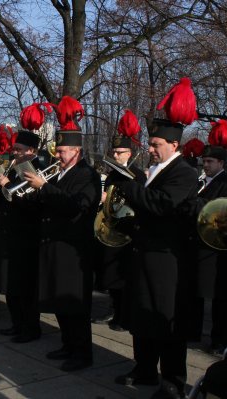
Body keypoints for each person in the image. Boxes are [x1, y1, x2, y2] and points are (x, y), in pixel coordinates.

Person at [113, 116, 198, 398]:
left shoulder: (182, 172)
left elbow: (162, 204)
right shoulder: (154, 170)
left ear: (175, 144)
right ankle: (145, 368)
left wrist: (128, 186)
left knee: (164, 319)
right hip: (143, 254)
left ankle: (173, 380)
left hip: (166, 261)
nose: (150, 149)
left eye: (156, 144)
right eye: (150, 144)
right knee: (142, 316)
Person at [24, 128, 101, 372]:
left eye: (61, 150)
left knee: (75, 305)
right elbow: (49, 203)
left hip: (73, 249)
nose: (57, 155)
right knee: (59, 301)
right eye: (56, 150)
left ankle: (82, 353)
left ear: (76, 151)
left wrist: (44, 187)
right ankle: (67, 345)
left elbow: (77, 206)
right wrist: (34, 193)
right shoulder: (60, 172)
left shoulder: (87, 175)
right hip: (54, 245)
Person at [184, 129, 227, 352]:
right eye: (203, 161)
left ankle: (218, 339)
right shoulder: (199, 181)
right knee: (196, 292)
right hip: (197, 244)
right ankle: (193, 331)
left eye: (209, 161)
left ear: (221, 163)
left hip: (217, 248)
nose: (205, 165)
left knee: (219, 297)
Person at [0, 130, 44, 343]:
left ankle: (30, 328)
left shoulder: (36, 170)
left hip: (25, 237)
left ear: (32, 151)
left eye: (20, 150)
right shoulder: (13, 168)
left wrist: (7, 186)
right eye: (15, 149)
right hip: (8, 236)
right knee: (10, 285)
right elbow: (9, 199)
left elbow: (29, 202)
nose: (15, 153)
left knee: (25, 287)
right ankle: (16, 323)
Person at [94, 112, 146, 332]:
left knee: (123, 274)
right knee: (111, 275)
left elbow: (139, 199)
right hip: (111, 224)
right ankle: (114, 308)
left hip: (127, 227)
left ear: (129, 153)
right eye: (114, 152)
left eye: (120, 152)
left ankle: (125, 314)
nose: (116, 155)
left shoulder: (136, 174)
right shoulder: (113, 174)